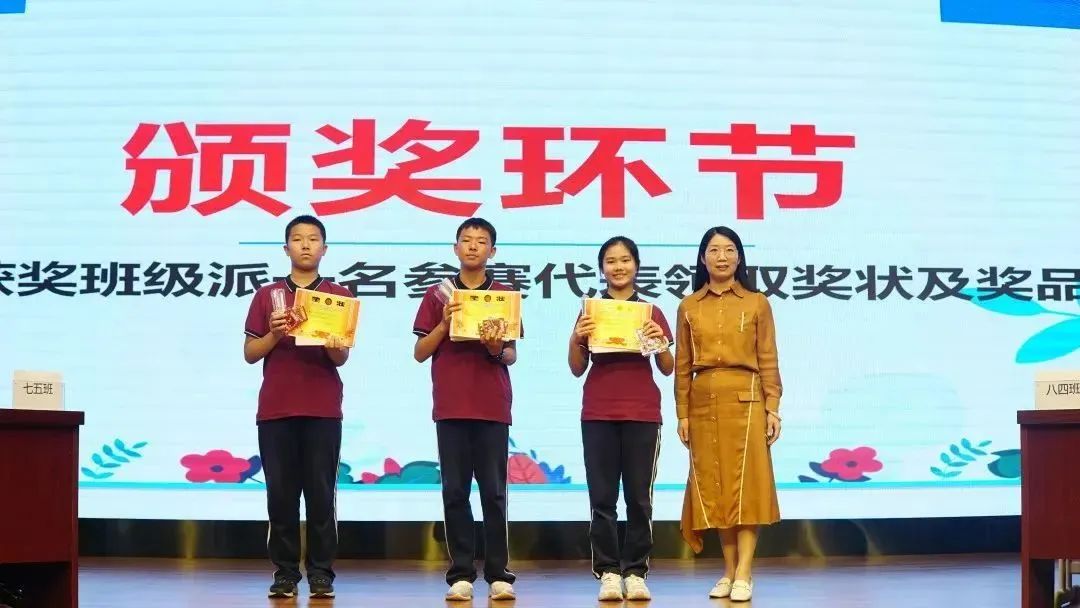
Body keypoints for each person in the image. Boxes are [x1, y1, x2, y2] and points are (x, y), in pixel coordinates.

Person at [243, 215, 352, 599]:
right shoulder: (268, 296)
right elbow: (250, 353)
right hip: (277, 410)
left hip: (323, 409)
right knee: (281, 496)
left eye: (313, 239)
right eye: (298, 238)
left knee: (321, 496)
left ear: (325, 248)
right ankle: (285, 573)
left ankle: (321, 573)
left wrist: (329, 340)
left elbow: (341, 358)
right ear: (286, 247)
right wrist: (276, 333)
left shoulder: (337, 296)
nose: (305, 245)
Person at [412, 218, 520, 602]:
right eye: (467, 240)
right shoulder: (438, 295)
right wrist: (444, 324)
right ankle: (460, 573)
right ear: (455, 248)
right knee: (455, 491)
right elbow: (420, 352)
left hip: (492, 407)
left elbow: (510, 354)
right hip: (452, 407)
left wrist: (494, 347)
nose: (473, 246)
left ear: (493, 251)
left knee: (494, 494)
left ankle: (498, 574)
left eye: (482, 241)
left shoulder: (504, 296)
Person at [674, 226, 783, 602]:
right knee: (716, 487)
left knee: (747, 486)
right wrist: (682, 412)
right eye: (714, 250)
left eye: (729, 250)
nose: (722, 257)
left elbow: (768, 357)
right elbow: (682, 364)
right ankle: (728, 570)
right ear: (703, 258)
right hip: (703, 400)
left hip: (747, 400)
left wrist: (773, 407)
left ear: (739, 257)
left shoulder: (757, 302)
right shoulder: (688, 306)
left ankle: (745, 573)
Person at [568, 236, 674, 602]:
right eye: (611, 261)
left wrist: (659, 342)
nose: (618, 267)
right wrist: (577, 337)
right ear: (602, 268)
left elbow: (667, 367)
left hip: (642, 413)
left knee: (639, 499)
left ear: (636, 265)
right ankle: (609, 572)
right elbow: (576, 368)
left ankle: (636, 571)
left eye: (625, 260)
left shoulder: (650, 312)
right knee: (602, 498)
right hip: (598, 412)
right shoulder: (590, 311)